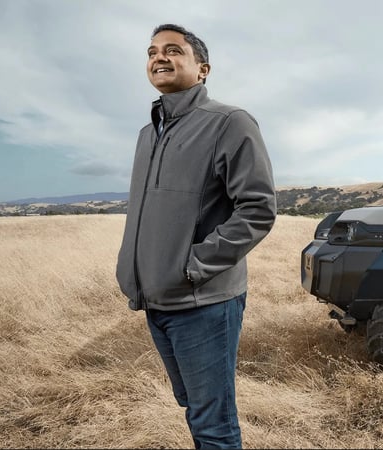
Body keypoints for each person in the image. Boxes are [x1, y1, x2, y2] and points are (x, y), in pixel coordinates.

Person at [116, 23, 276, 449]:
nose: (158, 58)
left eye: (173, 50)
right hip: (156, 300)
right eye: (151, 52)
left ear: (202, 69)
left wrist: (193, 266)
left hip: (202, 302)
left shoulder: (229, 122)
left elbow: (258, 209)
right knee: (192, 405)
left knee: (214, 424)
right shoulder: (146, 135)